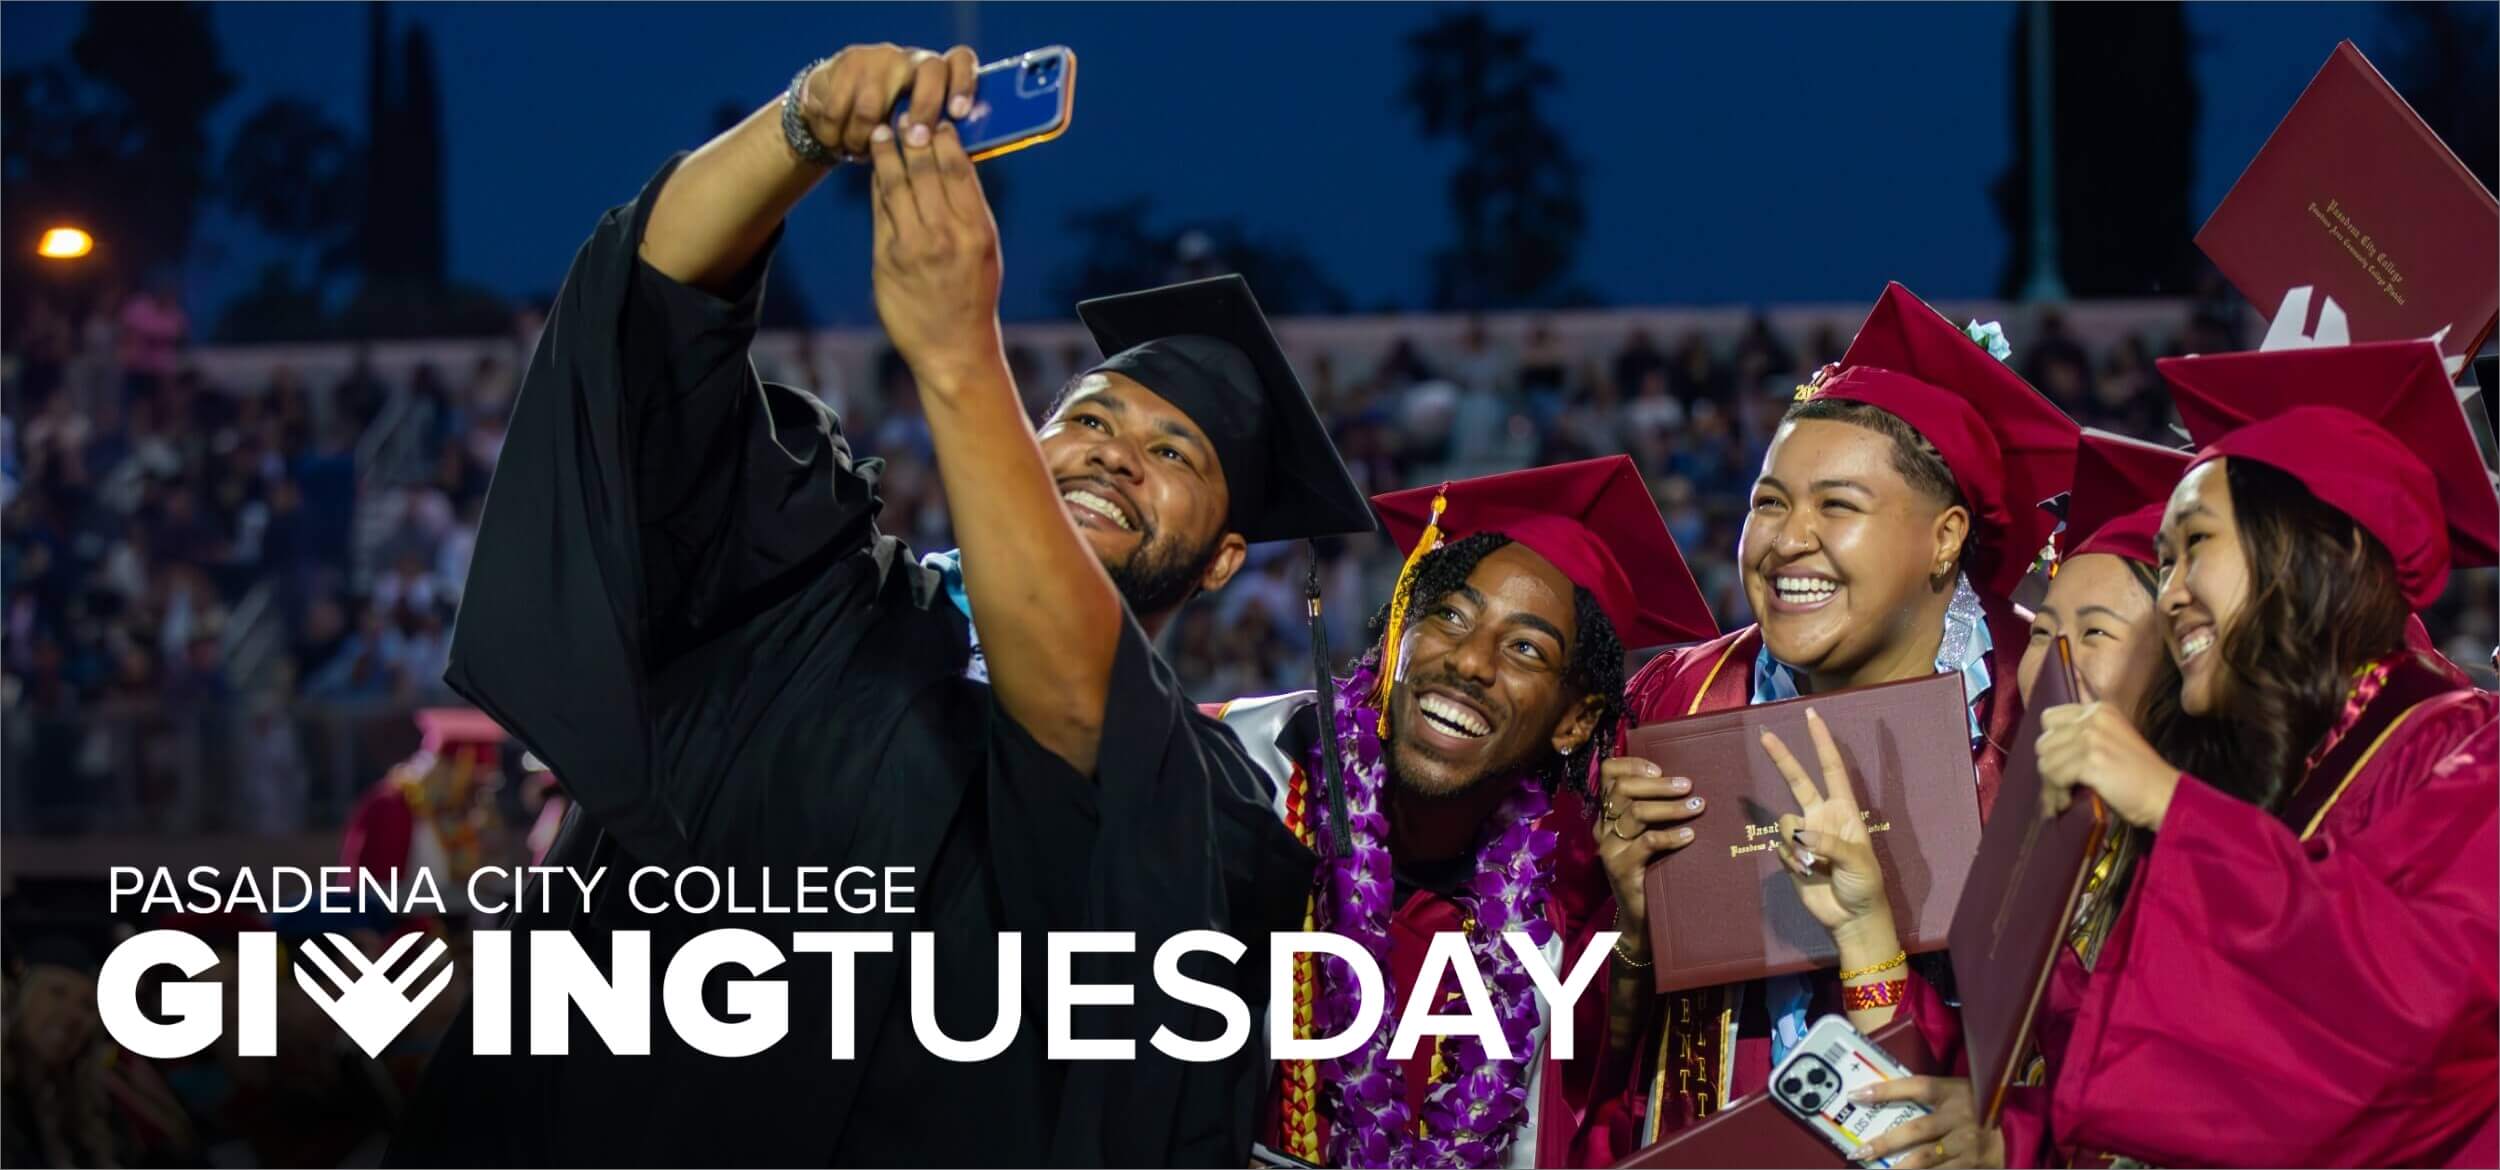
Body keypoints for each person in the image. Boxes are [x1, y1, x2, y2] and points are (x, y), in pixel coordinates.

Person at [390, 42, 1373, 1167]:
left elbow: (1076, 710)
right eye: (1089, 420)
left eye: (1171, 452)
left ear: (1222, 560)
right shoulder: (807, 595)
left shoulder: (1210, 812)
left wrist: (959, 357)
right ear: (1031, 439)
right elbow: (646, 330)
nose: (1111, 457)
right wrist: (801, 125)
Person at [1596, 283, 2080, 1148]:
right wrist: (1631, 931)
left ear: (1945, 538)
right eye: (1770, 501)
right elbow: (1589, 1059)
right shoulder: (1679, 701)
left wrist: (2019, 1136)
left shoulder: (2044, 711)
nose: (1788, 540)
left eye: (1838, 505)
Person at [2028, 340, 2499, 1166]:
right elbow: (2179, 1081)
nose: (2169, 594)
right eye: (2163, 562)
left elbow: (2415, 1015)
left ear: (2328, 551)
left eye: (2195, 545)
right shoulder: (2267, 774)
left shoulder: (2467, 752)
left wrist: (2174, 807)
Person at [1215, 456, 1719, 1168]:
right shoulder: (1247, 768)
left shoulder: (1567, 900)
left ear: (1575, 721)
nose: (1471, 662)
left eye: (1525, 648)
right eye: (1449, 615)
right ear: (1399, 635)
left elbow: (1602, 1102)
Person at [1798, 428, 2196, 1170]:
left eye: (2096, 630)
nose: (2056, 657)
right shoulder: (2058, 845)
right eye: (2043, 629)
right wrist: (1864, 928)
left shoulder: (2223, 853)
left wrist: (2018, 1135)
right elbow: (1967, 1087)